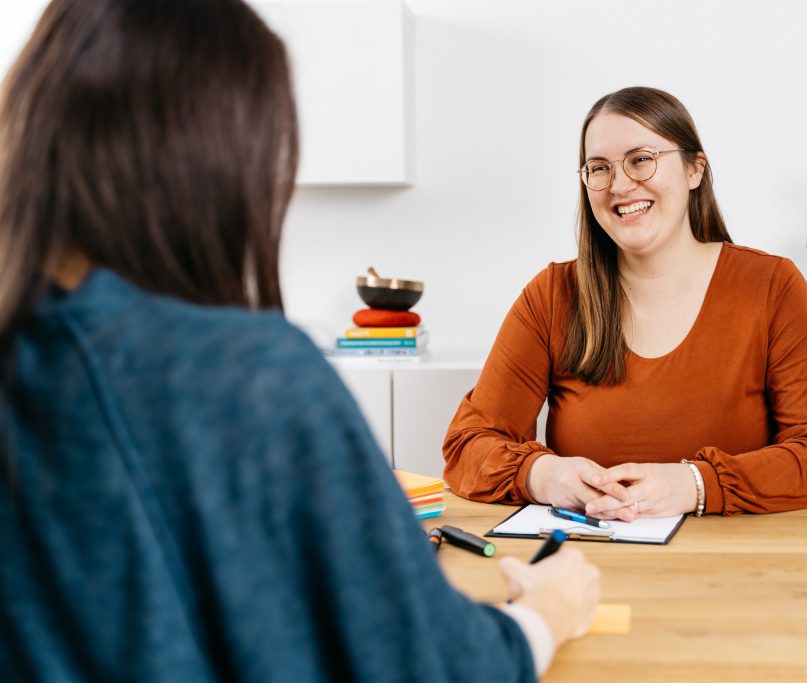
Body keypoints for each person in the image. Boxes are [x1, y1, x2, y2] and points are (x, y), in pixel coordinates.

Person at [0, 1, 599, 681]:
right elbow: (429, 660)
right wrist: (542, 611)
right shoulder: (249, 376)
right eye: (599, 167)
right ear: (228, 160)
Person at [443, 86, 807, 521]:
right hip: (590, 562)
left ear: (694, 169)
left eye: (641, 160)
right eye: (599, 169)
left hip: (739, 568)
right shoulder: (552, 295)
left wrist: (695, 485)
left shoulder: (772, 287)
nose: (620, 186)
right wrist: (544, 475)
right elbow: (467, 446)